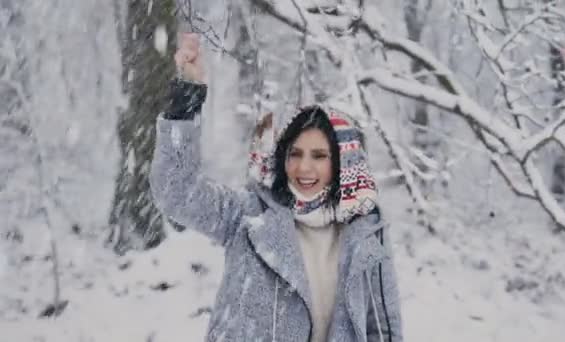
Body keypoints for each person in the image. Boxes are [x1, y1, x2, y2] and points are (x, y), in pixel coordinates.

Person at [150, 32, 403, 342]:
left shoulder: (365, 230)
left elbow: (383, 330)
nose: (303, 167)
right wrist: (185, 102)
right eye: (294, 154)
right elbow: (176, 191)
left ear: (342, 165)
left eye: (319, 156)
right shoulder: (248, 214)